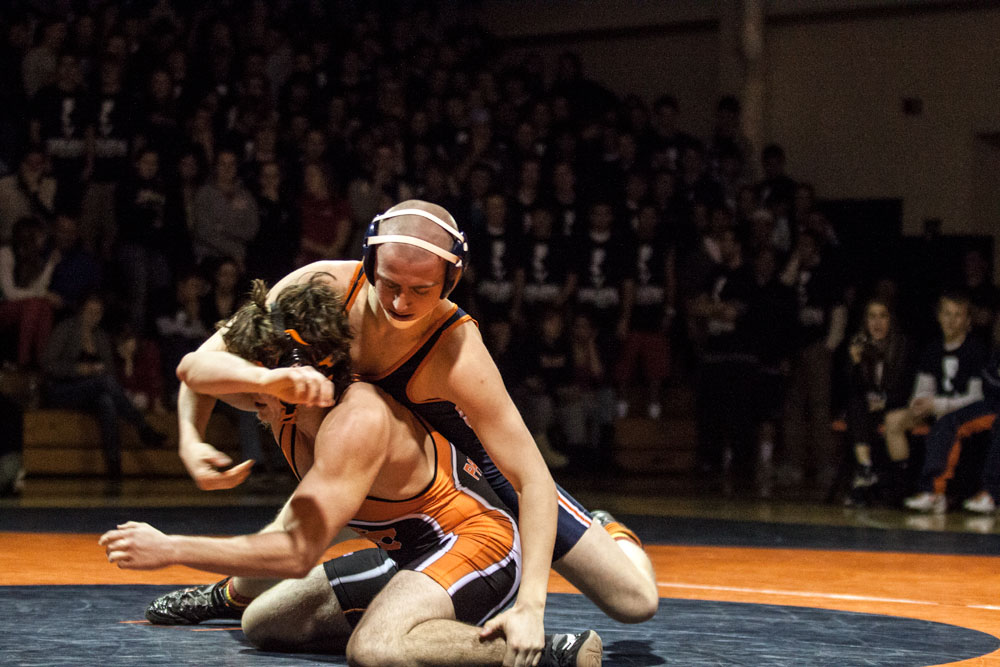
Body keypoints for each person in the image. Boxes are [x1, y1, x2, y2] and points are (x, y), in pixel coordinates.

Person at [153, 201, 657, 647]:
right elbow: (213, 357)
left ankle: (607, 532)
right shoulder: (320, 290)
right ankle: (232, 594)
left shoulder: (458, 350)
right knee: (319, 493)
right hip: (368, 437)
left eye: (421, 290)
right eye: (390, 285)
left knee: (634, 601)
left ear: (450, 282)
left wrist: (532, 606)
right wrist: (191, 439)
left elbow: (531, 477)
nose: (400, 303)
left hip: (476, 463)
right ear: (369, 263)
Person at [102, 276, 602, 667]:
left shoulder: (356, 419)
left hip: (477, 542)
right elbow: (194, 369)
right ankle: (413, 615)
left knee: (374, 648)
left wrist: (171, 549)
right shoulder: (282, 395)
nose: (248, 397)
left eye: (258, 377)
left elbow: (297, 551)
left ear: (301, 366)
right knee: (264, 622)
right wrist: (196, 437)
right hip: (405, 551)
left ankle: (547, 652)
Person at [41, 293, 166, 481]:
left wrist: (96, 372)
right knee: (104, 382)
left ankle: (114, 466)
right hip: (63, 390)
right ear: (81, 311)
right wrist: (79, 369)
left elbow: (110, 371)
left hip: (91, 391)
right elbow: (48, 364)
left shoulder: (100, 337)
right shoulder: (66, 329)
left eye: (98, 313)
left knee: (106, 402)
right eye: (90, 312)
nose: (94, 316)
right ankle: (143, 427)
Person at [900, 292, 989, 513]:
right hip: (936, 409)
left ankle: (934, 492)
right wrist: (919, 403)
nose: (951, 320)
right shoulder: (932, 350)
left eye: (958, 315)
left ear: (968, 321)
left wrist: (939, 405)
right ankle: (893, 486)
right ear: (939, 317)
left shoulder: (975, 350)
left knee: (946, 424)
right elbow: (922, 389)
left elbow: (976, 397)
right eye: (947, 314)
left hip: (967, 411)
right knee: (895, 421)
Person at [842, 297, 913, 505]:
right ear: (865, 321)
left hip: (897, 407)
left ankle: (869, 477)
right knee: (856, 405)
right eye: (872, 317)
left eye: (883, 316)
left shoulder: (902, 346)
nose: (877, 322)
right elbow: (850, 389)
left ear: (891, 320)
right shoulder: (858, 344)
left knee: (864, 411)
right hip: (867, 410)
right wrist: (856, 363)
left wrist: (885, 402)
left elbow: (909, 388)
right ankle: (865, 469)